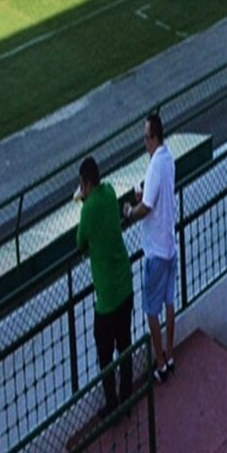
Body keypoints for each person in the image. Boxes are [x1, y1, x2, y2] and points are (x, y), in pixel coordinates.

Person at [76, 156, 134, 419]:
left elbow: (80, 242)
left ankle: (113, 406)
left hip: (108, 297)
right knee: (125, 345)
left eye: (82, 185)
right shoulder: (109, 192)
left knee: (105, 355)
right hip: (124, 284)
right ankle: (128, 397)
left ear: (87, 184)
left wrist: (84, 203)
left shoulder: (88, 210)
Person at [124, 112, 177, 383]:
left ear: (153, 137)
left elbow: (146, 207)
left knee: (151, 310)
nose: (144, 142)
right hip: (170, 245)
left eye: (146, 137)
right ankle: (170, 354)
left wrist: (129, 212)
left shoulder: (155, 165)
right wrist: (143, 197)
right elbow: (154, 197)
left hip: (156, 250)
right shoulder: (168, 159)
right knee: (169, 301)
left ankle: (160, 362)